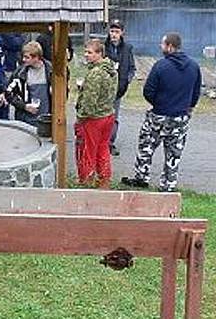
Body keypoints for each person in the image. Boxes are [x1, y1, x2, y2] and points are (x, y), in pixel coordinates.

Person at [122, 32, 201, 193]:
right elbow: (196, 92)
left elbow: (148, 91)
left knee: (146, 146)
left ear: (170, 47)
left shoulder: (160, 66)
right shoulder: (194, 66)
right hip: (180, 117)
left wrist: (159, 104)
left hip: (158, 115)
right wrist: (188, 106)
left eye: (163, 44)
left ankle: (141, 177)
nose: (161, 47)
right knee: (174, 152)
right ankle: (168, 185)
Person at [75, 39, 117, 188]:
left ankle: (86, 181)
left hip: (94, 119)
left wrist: (81, 118)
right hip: (108, 115)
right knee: (103, 148)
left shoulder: (95, 74)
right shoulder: (111, 69)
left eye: (90, 52)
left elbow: (89, 102)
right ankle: (104, 179)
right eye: (85, 51)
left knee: (87, 150)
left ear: (99, 54)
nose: (86, 55)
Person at [104, 19, 136, 156]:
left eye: (117, 31)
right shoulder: (103, 47)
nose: (114, 34)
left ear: (122, 33)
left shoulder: (128, 48)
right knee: (102, 116)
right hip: (104, 90)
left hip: (119, 90)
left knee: (114, 118)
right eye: (112, 31)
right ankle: (101, 143)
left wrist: (127, 80)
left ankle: (110, 143)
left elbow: (132, 68)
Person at [3, 41, 52, 126]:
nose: (23, 60)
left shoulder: (50, 70)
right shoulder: (19, 73)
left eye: (27, 57)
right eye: (23, 57)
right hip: (26, 120)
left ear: (36, 57)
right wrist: (24, 106)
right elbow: (8, 93)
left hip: (46, 120)